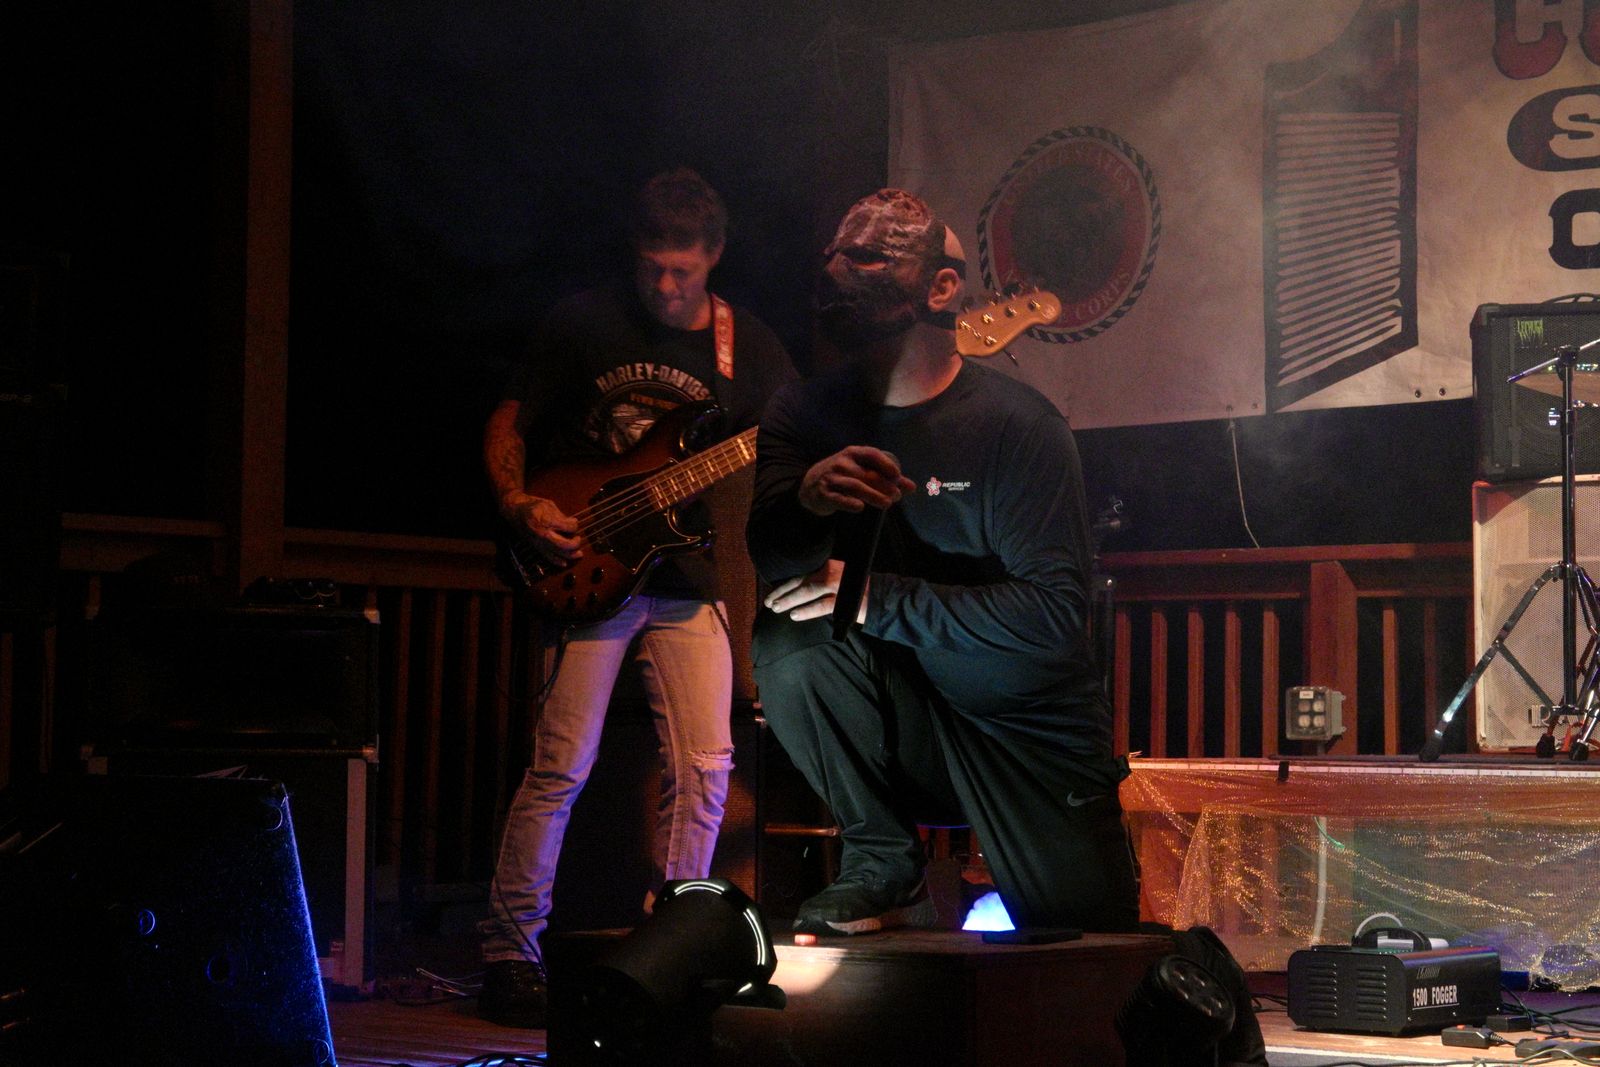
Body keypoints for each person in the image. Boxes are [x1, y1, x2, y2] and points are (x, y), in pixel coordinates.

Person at [745, 188, 1139, 938]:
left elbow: (1055, 618)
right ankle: (880, 860)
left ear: (941, 287)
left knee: (1092, 958)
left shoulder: (1020, 427)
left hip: (1024, 733)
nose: (837, 271)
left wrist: (873, 597)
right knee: (788, 627)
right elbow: (773, 555)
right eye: (834, 253)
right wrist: (807, 499)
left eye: (868, 258)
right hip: (906, 727)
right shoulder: (802, 413)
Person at [478, 168, 795, 1026]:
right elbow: (509, 420)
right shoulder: (585, 323)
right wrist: (519, 503)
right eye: (652, 265)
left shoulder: (748, 346)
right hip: (589, 567)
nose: (664, 284)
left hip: (687, 580)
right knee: (561, 763)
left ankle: (672, 946)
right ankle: (510, 949)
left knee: (707, 766)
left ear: (714, 255)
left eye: (682, 269)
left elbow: (794, 437)